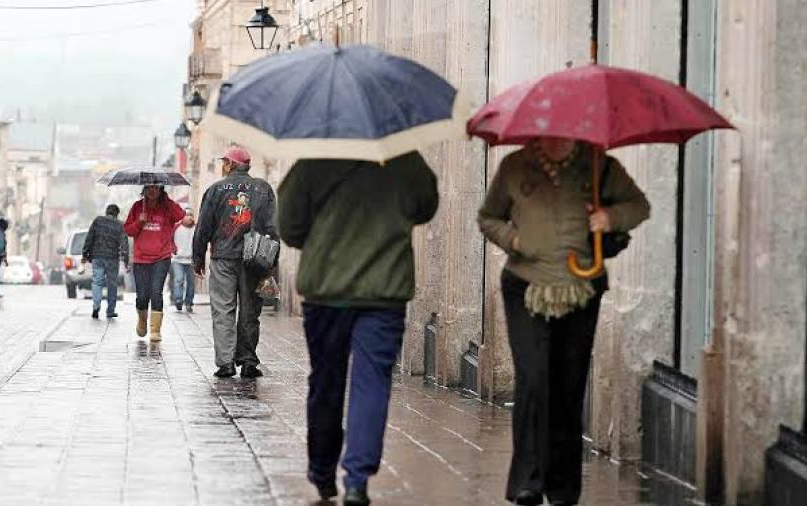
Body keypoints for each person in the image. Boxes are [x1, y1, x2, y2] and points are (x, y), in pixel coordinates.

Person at [478, 138, 650, 506]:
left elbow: (639, 206)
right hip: (526, 287)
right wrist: (514, 238)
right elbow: (488, 217)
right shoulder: (515, 166)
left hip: (580, 288)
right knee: (534, 377)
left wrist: (610, 218)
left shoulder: (598, 166)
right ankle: (527, 481)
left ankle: (563, 488)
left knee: (567, 385)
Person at [277, 151, 438, 506]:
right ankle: (357, 479)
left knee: (325, 380)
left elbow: (289, 228)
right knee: (373, 381)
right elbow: (425, 206)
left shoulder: (310, 164)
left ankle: (321, 471)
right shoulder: (404, 159)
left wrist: (324, 240)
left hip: (326, 290)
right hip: (384, 291)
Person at [192, 147, 277, 379]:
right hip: (255, 258)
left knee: (223, 310)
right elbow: (272, 228)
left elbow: (203, 227)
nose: (222, 166)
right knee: (250, 311)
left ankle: (226, 363)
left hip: (223, 257)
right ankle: (248, 361)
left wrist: (197, 257)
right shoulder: (263, 188)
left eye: (224, 162)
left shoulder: (215, 189)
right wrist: (272, 261)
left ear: (230, 164)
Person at [124, 185, 185, 341]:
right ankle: (142, 320)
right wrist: (139, 222)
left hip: (161, 257)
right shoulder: (137, 207)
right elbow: (128, 231)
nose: (152, 191)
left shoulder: (167, 207)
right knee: (142, 295)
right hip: (141, 259)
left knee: (156, 292)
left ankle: (155, 330)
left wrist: (167, 200)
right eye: (149, 188)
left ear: (161, 190)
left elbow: (180, 215)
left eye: (156, 188)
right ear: (144, 189)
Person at [83, 204, 129, 319]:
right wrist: (126, 260)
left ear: (106, 212)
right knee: (112, 285)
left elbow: (89, 237)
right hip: (112, 258)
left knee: (97, 282)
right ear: (117, 214)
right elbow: (124, 244)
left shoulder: (98, 221)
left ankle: (96, 305)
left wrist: (85, 253)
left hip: (97, 256)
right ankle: (110, 310)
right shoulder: (120, 225)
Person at [171, 206, 196, 313]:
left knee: (191, 283)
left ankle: (189, 302)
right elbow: (169, 239)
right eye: (186, 215)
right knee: (179, 279)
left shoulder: (196, 228)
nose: (189, 217)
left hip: (192, 260)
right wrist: (174, 250)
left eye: (191, 215)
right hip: (177, 260)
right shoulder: (176, 227)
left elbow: (200, 241)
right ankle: (178, 300)